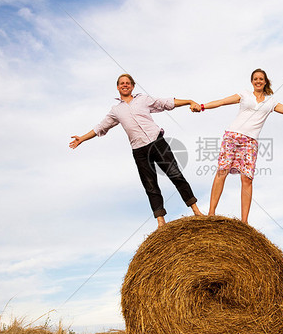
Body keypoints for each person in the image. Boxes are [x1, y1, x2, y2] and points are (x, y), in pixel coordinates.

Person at [193, 68, 283, 223]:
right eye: (255, 79)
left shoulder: (271, 102)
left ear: (265, 82)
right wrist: (202, 107)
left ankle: (244, 222)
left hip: (250, 142)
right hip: (232, 136)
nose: (258, 81)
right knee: (222, 171)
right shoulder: (244, 95)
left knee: (247, 179)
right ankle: (211, 212)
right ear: (252, 81)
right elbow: (222, 102)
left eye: (261, 79)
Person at [70, 73, 203, 228]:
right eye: (121, 83)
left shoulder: (143, 99)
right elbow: (100, 127)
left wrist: (189, 101)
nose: (125, 85)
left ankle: (195, 210)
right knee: (150, 185)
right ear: (118, 87)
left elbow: (166, 102)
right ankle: (161, 221)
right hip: (139, 151)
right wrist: (82, 138)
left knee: (176, 175)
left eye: (128, 83)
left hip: (157, 143)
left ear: (132, 86)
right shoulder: (116, 110)